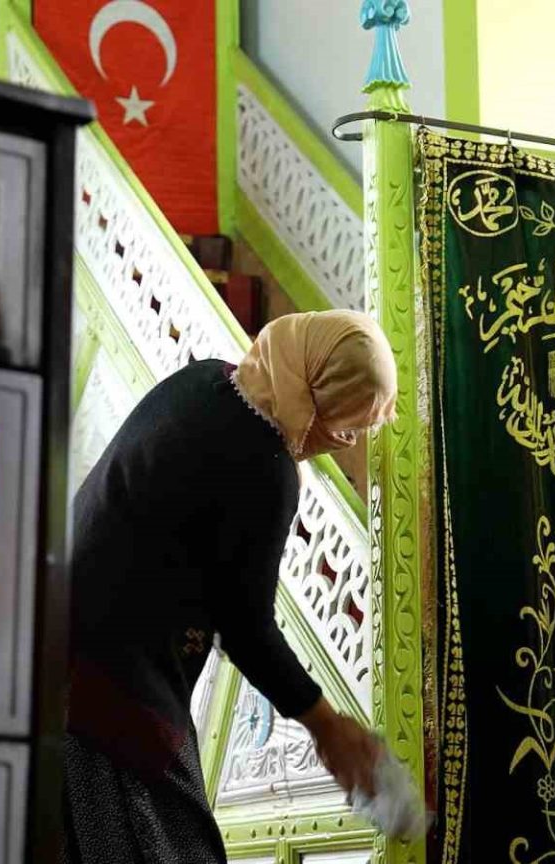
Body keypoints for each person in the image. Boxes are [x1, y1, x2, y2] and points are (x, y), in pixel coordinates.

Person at [60, 310, 397, 862]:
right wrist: (327, 726)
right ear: (314, 395)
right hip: (112, 684)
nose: (345, 440)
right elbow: (246, 628)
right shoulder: (265, 465)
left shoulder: (207, 379)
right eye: (348, 422)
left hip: (61, 643)